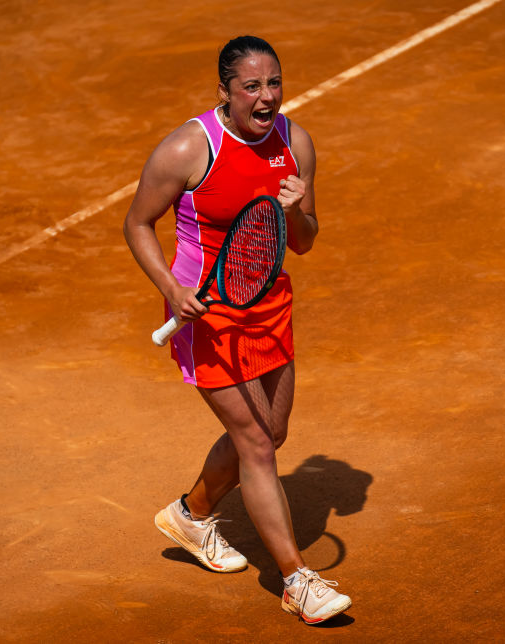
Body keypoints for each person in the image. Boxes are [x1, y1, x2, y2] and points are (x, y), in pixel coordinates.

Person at [123, 35, 351, 625]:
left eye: (274, 83)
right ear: (224, 91)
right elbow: (138, 223)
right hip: (205, 314)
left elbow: (303, 241)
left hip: (267, 305)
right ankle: (297, 580)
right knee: (255, 444)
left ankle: (190, 515)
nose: (266, 96)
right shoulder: (187, 148)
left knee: (272, 433)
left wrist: (297, 209)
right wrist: (171, 289)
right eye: (251, 86)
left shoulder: (295, 142)